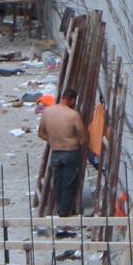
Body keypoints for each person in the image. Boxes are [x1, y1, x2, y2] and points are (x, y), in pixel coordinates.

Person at [37, 89, 87, 219]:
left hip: (55, 152)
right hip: (71, 152)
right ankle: (64, 214)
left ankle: (60, 210)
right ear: (71, 100)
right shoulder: (73, 115)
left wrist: (53, 140)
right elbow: (83, 137)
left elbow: (41, 133)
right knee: (69, 184)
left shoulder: (47, 112)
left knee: (58, 183)